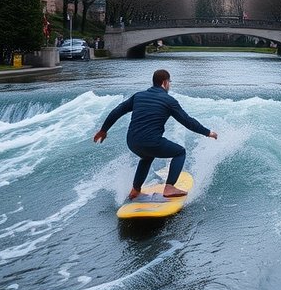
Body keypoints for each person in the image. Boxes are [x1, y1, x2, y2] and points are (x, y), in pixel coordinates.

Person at [93, 69, 218, 199]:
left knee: (147, 157)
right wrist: (207, 132)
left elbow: (117, 111)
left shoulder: (138, 96)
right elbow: (187, 121)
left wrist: (103, 130)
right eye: (169, 82)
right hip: (151, 141)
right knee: (180, 152)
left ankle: (135, 190)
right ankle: (169, 187)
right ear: (164, 83)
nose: (169, 85)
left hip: (131, 142)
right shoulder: (169, 101)